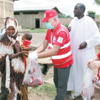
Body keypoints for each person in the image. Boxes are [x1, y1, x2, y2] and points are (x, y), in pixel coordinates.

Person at [28, 9, 73, 100]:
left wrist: (37, 56)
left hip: (64, 63)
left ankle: (60, 98)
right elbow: (44, 45)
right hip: (56, 62)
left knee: (61, 85)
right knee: (56, 81)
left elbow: (54, 51)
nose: (46, 24)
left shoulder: (62, 32)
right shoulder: (50, 30)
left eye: (47, 21)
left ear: (55, 20)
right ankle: (59, 96)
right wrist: (35, 52)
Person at [67, 3, 100, 99]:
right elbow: (68, 35)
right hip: (75, 53)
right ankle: (77, 92)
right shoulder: (73, 21)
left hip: (86, 53)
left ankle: (87, 94)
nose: (74, 10)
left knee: (85, 72)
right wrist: (66, 31)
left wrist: (86, 42)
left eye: (76, 9)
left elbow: (97, 37)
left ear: (82, 10)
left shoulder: (89, 21)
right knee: (76, 72)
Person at [0, 18, 28, 100]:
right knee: (9, 89)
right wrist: (19, 54)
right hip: (9, 70)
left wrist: (26, 49)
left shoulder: (18, 38)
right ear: (5, 28)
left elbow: (20, 48)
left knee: (18, 89)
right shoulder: (3, 41)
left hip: (19, 69)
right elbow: (4, 57)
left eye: (13, 29)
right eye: (8, 29)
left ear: (16, 28)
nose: (11, 31)